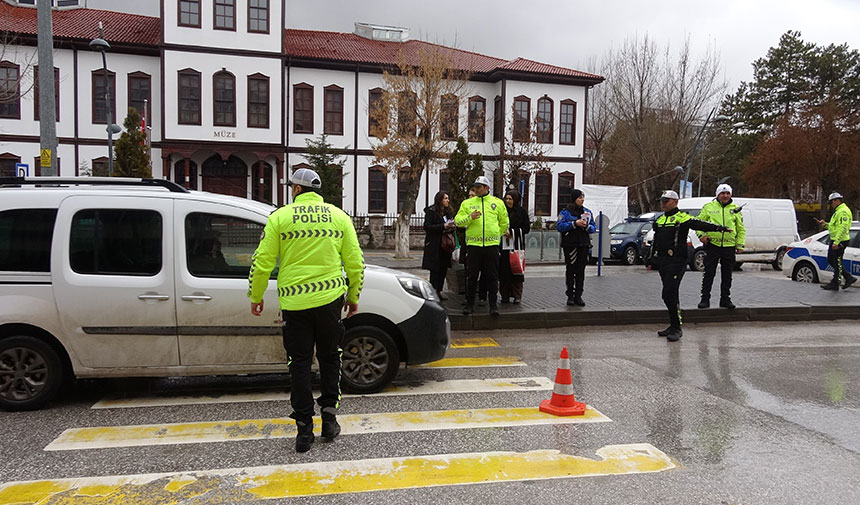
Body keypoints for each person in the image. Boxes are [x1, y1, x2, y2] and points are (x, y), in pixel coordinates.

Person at [248, 168, 365, 453]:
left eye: (292, 188)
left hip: (294, 304)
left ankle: (303, 431)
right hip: (329, 301)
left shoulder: (280, 217)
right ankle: (329, 418)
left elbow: (262, 261)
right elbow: (355, 263)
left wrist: (256, 294)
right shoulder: (339, 217)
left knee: (299, 364)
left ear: (297, 190)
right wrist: (353, 295)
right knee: (329, 358)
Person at [652, 190, 730, 342]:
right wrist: (651, 258)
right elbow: (656, 240)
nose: (663, 204)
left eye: (666, 201)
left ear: (675, 202)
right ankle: (674, 324)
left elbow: (699, 224)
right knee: (671, 294)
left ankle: (677, 328)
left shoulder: (683, 218)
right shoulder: (660, 220)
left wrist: (719, 228)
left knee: (667, 293)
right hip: (663, 261)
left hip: (677, 260)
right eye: (661, 201)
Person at [455, 176, 509, 316]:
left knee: (492, 276)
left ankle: (493, 306)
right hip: (474, 246)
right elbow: (458, 222)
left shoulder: (497, 203)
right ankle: (469, 304)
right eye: (475, 186)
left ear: (487, 188)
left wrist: (497, 235)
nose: (476, 189)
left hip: (491, 246)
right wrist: (470, 218)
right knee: (472, 276)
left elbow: (504, 222)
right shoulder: (467, 203)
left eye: (479, 187)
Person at [696, 184, 746, 309]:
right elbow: (698, 223)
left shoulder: (735, 209)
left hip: (729, 247)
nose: (725, 196)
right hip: (713, 245)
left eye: (728, 193)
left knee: (727, 275)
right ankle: (705, 299)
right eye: (723, 193)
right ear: (717, 195)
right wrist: (701, 235)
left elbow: (740, 229)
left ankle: (725, 299)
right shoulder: (708, 207)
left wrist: (740, 245)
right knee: (709, 273)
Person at [557, 188, 596, 306]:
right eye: (580, 197)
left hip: (583, 244)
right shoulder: (565, 212)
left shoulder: (587, 212)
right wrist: (574, 224)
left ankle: (579, 295)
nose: (582, 200)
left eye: (583, 197)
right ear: (574, 199)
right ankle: (570, 295)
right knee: (570, 270)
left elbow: (594, 227)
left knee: (581, 271)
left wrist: (587, 226)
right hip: (570, 245)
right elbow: (559, 226)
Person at [816, 192, 856, 290]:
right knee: (831, 259)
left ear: (837, 201)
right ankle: (848, 277)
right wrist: (825, 225)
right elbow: (835, 226)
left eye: (831, 202)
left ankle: (836, 282)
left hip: (840, 241)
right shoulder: (838, 211)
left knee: (837, 261)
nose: (831, 204)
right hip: (835, 240)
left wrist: (837, 242)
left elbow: (843, 227)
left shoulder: (843, 211)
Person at [422, 191, 456, 299]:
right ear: (440, 200)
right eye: (445, 198)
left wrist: (451, 226)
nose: (448, 200)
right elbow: (427, 227)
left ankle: (439, 291)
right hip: (435, 244)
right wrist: (443, 226)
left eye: (448, 198)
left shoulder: (447, 212)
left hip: (445, 246)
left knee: (443, 269)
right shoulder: (431, 211)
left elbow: (449, 223)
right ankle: (433, 292)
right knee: (435, 270)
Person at [498, 189, 530, 304]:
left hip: (517, 246)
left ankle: (517, 295)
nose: (508, 201)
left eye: (510, 199)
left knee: (516, 270)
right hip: (504, 247)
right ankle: (504, 295)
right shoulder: (502, 211)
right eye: (506, 198)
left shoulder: (521, 212)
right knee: (504, 272)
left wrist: (512, 232)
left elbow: (526, 228)